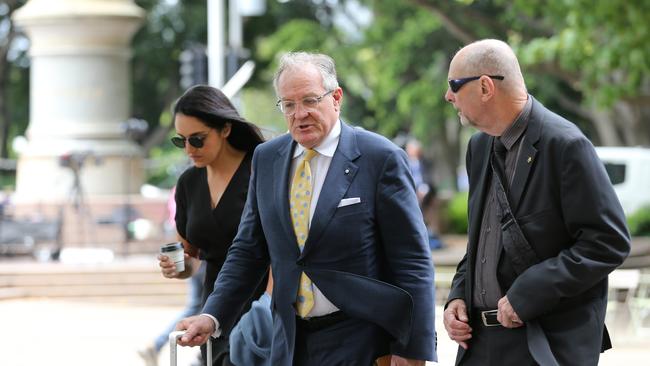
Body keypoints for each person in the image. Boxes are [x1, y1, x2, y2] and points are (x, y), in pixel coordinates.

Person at [174, 52, 437, 366]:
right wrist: (212, 315)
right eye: (288, 104)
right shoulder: (267, 159)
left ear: (336, 98)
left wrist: (413, 349)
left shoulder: (380, 157)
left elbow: (412, 260)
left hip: (364, 340)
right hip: (290, 341)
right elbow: (247, 250)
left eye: (310, 100)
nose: (299, 114)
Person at [442, 39, 631, 366]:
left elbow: (608, 242)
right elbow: (483, 240)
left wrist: (529, 292)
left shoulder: (566, 144)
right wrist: (459, 293)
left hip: (542, 345)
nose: (448, 96)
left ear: (486, 87)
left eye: (454, 85)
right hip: (478, 344)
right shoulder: (478, 148)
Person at [158, 85, 267, 366]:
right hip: (215, 309)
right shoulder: (188, 183)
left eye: (197, 139)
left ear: (226, 129)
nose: (189, 149)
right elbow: (191, 257)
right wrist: (178, 266)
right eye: (180, 141)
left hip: (263, 303)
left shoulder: (261, 168)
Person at [139, 262, 205, 366]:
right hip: (207, 262)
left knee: (196, 308)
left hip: (199, 260)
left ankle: (157, 344)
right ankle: (200, 360)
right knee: (204, 309)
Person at [404, 138, 442, 250]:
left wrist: (423, 189)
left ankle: (429, 236)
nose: (411, 151)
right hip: (410, 191)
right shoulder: (404, 161)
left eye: (414, 149)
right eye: (410, 149)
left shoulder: (426, 162)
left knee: (426, 202)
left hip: (426, 192)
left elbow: (429, 179)